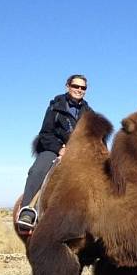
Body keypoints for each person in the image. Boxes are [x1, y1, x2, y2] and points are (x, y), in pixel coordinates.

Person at [16, 74, 93, 231]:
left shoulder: (89, 113)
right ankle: (28, 211)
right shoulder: (55, 107)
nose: (79, 90)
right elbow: (45, 133)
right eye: (75, 86)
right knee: (38, 170)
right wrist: (60, 149)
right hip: (54, 149)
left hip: (80, 153)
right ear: (68, 87)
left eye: (82, 88)